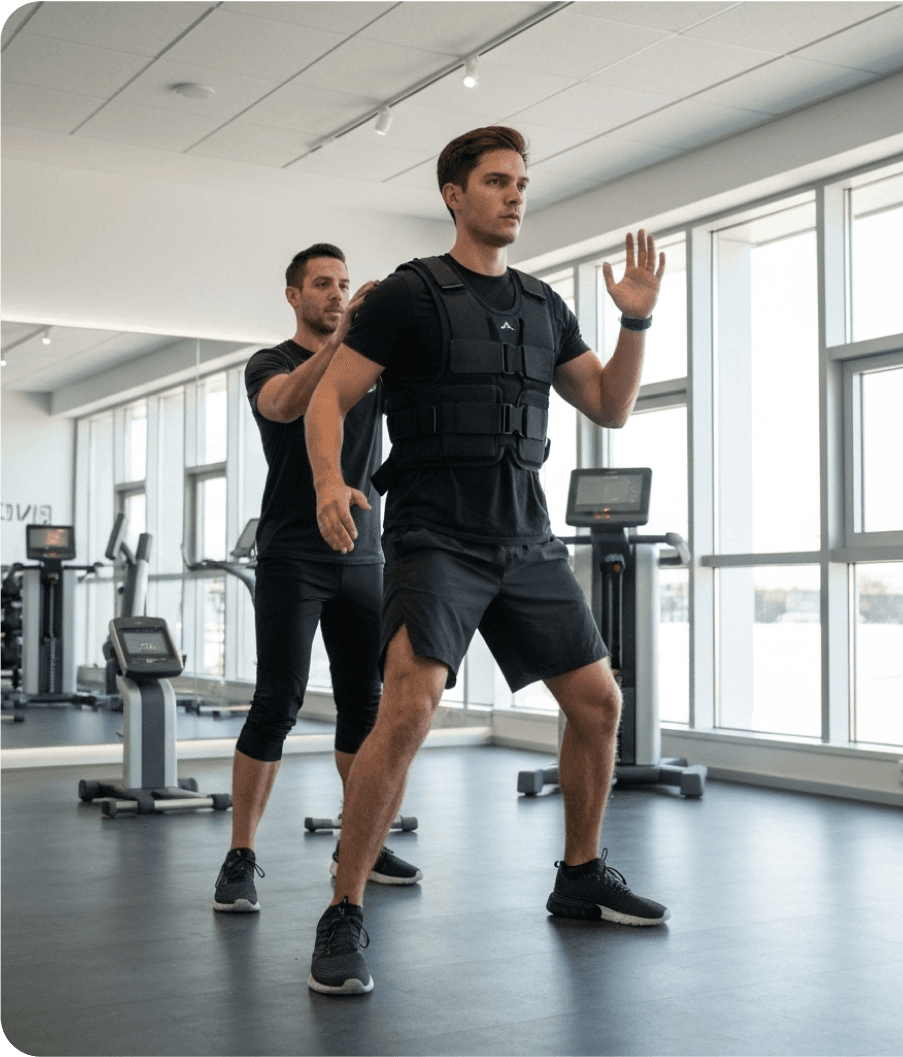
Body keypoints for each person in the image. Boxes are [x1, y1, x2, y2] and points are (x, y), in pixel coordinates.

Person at [304, 127, 667, 995]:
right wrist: (328, 483)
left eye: (522, 183)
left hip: (525, 534)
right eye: (497, 181)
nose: (514, 195)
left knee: (599, 702)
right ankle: (344, 906)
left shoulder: (545, 306)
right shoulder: (408, 296)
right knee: (410, 703)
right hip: (437, 531)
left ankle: (579, 874)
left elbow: (611, 407)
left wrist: (637, 317)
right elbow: (329, 397)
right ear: (453, 194)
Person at [212, 243, 422, 915]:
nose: (336, 294)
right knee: (279, 700)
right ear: (294, 295)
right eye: (323, 285)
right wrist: (343, 344)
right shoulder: (271, 362)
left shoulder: (371, 370)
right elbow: (286, 405)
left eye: (344, 284)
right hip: (292, 555)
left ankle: (356, 844)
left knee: (366, 704)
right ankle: (241, 853)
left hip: (363, 556)